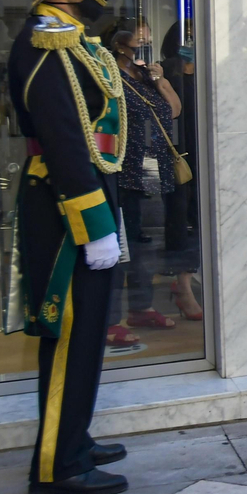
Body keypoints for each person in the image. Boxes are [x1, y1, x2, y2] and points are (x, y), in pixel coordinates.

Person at [9, 0, 130, 494]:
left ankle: (72, 437)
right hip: (65, 209)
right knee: (70, 335)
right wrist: (93, 221)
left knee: (86, 335)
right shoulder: (44, 42)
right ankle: (57, 465)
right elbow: (62, 140)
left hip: (84, 198)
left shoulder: (68, 37)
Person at [108, 28, 184, 344]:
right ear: (120, 47)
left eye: (147, 44)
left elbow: (174, 110)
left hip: (152, 168)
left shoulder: (144, 78)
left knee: (145, 243)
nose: (144, 49)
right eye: (139, 44)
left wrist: (159, 79)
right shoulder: (112, 77)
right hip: (124, 170)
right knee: (121, 245)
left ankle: (141, 306)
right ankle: (110, 319)